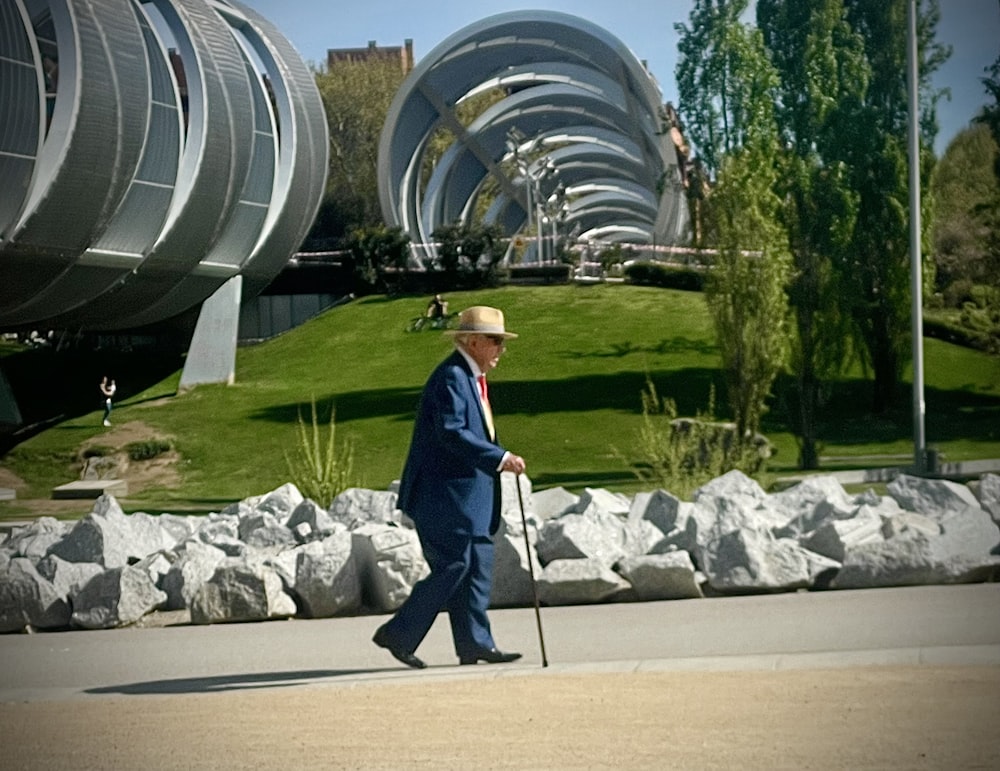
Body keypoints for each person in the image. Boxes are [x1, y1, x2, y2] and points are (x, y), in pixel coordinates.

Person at [373, 306, 526, 668]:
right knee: (456, 564)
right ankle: (398, 633)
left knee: (476, 567)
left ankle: (475, 643)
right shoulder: (452, 378)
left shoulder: (468, 378)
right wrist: (499, 457)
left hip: (467, 500)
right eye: (494, 342)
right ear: (472, 342)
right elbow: (452, 433)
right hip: (443, 498)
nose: (500, 350)